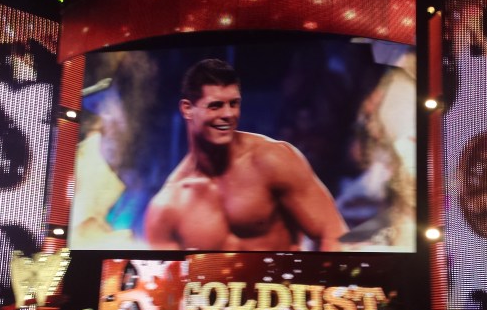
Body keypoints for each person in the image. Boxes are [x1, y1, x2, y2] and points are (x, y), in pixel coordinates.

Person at [144, 59, 347, 251]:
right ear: (187, 109)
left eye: (234, 104)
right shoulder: (167, 207)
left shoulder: (272, 160)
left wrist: (324, 277)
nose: (228, 114)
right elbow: (165, 273)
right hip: (213, 279)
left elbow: (334, 234)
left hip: (283, 277)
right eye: (216, 105)